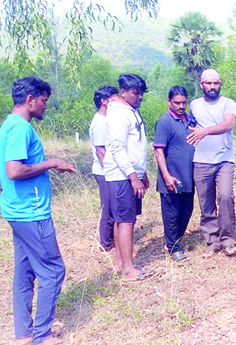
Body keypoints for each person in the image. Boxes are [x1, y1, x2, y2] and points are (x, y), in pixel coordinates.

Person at [0, 77, 76, 345]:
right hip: (31, 213)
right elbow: (13, 170)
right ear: (30, 100)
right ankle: (41, 336)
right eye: (43, 101)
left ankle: (23, 333)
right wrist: (52, 162)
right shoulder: (21, 129)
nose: (46, 106)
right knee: (53, 271)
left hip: (15, 212)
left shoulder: (7, 125)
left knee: (24, 272)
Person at [103, 73, 150, 281]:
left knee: (123, 219)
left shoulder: (130, 111)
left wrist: (142, 173)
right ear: (123, 92)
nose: (139, 97)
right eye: (134, 93)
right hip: (121, 176)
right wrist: (132, 177)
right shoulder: (118, 114)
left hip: (130, 173)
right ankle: (128, 270)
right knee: (126, 221)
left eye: (141, 93)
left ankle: (123, 262)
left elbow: (135, 146)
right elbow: (117, 146)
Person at [187, 69, 236, 258]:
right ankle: (212, 241)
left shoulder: (228, 103)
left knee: (225, 197)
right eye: (208, 83)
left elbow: (228, 125)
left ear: (220, 84)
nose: (212, 87)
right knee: (206, 203)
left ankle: (228, 240)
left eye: (216, 83)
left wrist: (205, 131)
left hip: (224, 159)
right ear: (201, 84)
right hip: (201, 160)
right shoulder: (194, 105)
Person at [153, 86, 195, 262]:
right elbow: (158, 151)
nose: (181, 106)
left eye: (184, 102)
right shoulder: (164, 122)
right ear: (169, 102)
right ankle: (173, 247)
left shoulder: (191, 120)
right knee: (172, 214)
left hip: (189, 176)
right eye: (177, 103)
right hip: (171, 177)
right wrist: (166, 175)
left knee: (187, 211)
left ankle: (174, 241)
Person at [90, 85, 119, 252]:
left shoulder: (105, 120)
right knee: (108, 208)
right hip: (104, 172)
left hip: (106, 171)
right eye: (114, 100)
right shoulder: (100, 122)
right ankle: (106, 243)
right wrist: (110, 173)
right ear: (104, 101)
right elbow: (101, 151)